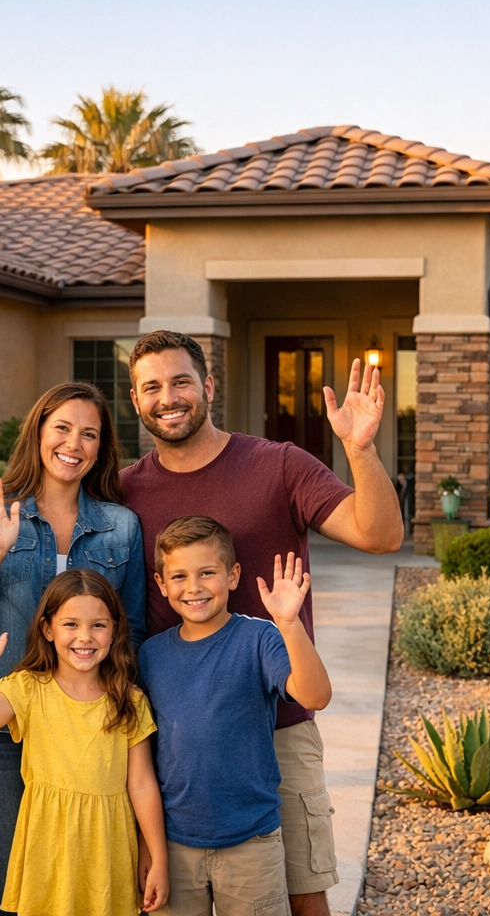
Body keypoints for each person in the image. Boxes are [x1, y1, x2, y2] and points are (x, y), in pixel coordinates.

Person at [121, 331, 403, 916]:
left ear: (209, 387)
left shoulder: (277, 465)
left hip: (280, 727)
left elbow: (380, 535)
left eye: (181, 381)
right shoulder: (124, 492)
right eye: (152, 386)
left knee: (301, 894)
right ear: (134, 399)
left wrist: (361, 449)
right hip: (179, 742)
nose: (168, 397)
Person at [0, 381, 148, 915]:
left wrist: (121, 711)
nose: (73, 443)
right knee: (13, 886)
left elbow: (134, 629)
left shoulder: (121, 527)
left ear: (102, 448)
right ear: (38, 431)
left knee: (85, 880)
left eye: (89, 434)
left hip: (87, 729)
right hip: (4, 718)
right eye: (62, 428)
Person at [139, 517, 332, 916]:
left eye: (207, 573)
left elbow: (316, 694)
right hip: (175, 844)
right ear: (161, 585)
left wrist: (290, 624)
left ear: (233, 575)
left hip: (252, 844)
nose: (193, 587)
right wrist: (149, 848)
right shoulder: (151, 656)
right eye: (179, 576)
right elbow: (143, 759)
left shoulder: (259, 639)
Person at [0, 570, 167, 916]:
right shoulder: (28, 688)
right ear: (48, 629)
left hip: (107, 850)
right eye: (71, 625)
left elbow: (141, 784)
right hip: (48, 849)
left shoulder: (129, 699)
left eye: (98, 625)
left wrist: (157, 857)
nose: (85, 636)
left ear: (114, 631)